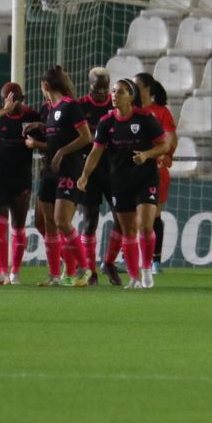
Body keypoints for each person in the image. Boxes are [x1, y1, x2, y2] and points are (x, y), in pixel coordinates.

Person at [78, 79, 170, 288]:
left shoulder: (145, 118)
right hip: (120, 181)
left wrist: (147, 154)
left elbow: (164, 145)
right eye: (113, 91)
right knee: (128, 231)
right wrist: (84, 175)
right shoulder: (106, 122)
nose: (114, 95)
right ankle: (134, 277)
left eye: (120, 92)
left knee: (145, 226)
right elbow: (96, 151)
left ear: (131, 96)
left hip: (145, 179)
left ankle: (146, 272)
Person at [34, 64, 93, 286]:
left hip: (69, 168)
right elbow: (57, 135)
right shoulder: (51, 109)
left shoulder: (70, 106)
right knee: (49, 223)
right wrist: (39, 125)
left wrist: (61, 152)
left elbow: (86, 137)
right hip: (50, 170)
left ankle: (84, 269)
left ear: (45, 85)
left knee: (62, 221)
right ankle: (55, 275)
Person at [0, 81, 42, 285]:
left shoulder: (32, 117)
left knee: (18, 225)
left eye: (17, 100)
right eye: (9, 99)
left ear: (22, 99)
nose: (13, 103)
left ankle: (14, 273)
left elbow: (47, 139)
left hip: (22, 178)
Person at [133, 71, 178, 279]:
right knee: (130, 217)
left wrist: (159, 153)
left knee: (153, 217)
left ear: (147, 90)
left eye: (137, 86)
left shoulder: (161, 113)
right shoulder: (128, 111)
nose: (133, 90)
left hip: (156, 171)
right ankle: (131, 258)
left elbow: (170, 141)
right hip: (131, 171)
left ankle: (155, 260)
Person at [73, 67, 114, 284]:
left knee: (122, 220)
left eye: (105, 87)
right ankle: (91, 271)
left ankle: (109, 262)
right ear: (89, 85)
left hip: (113, 169)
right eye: (98, 87)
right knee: (90, 221)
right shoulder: (80, 107)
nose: (102, 92)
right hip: (89, 170)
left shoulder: (114, 105)